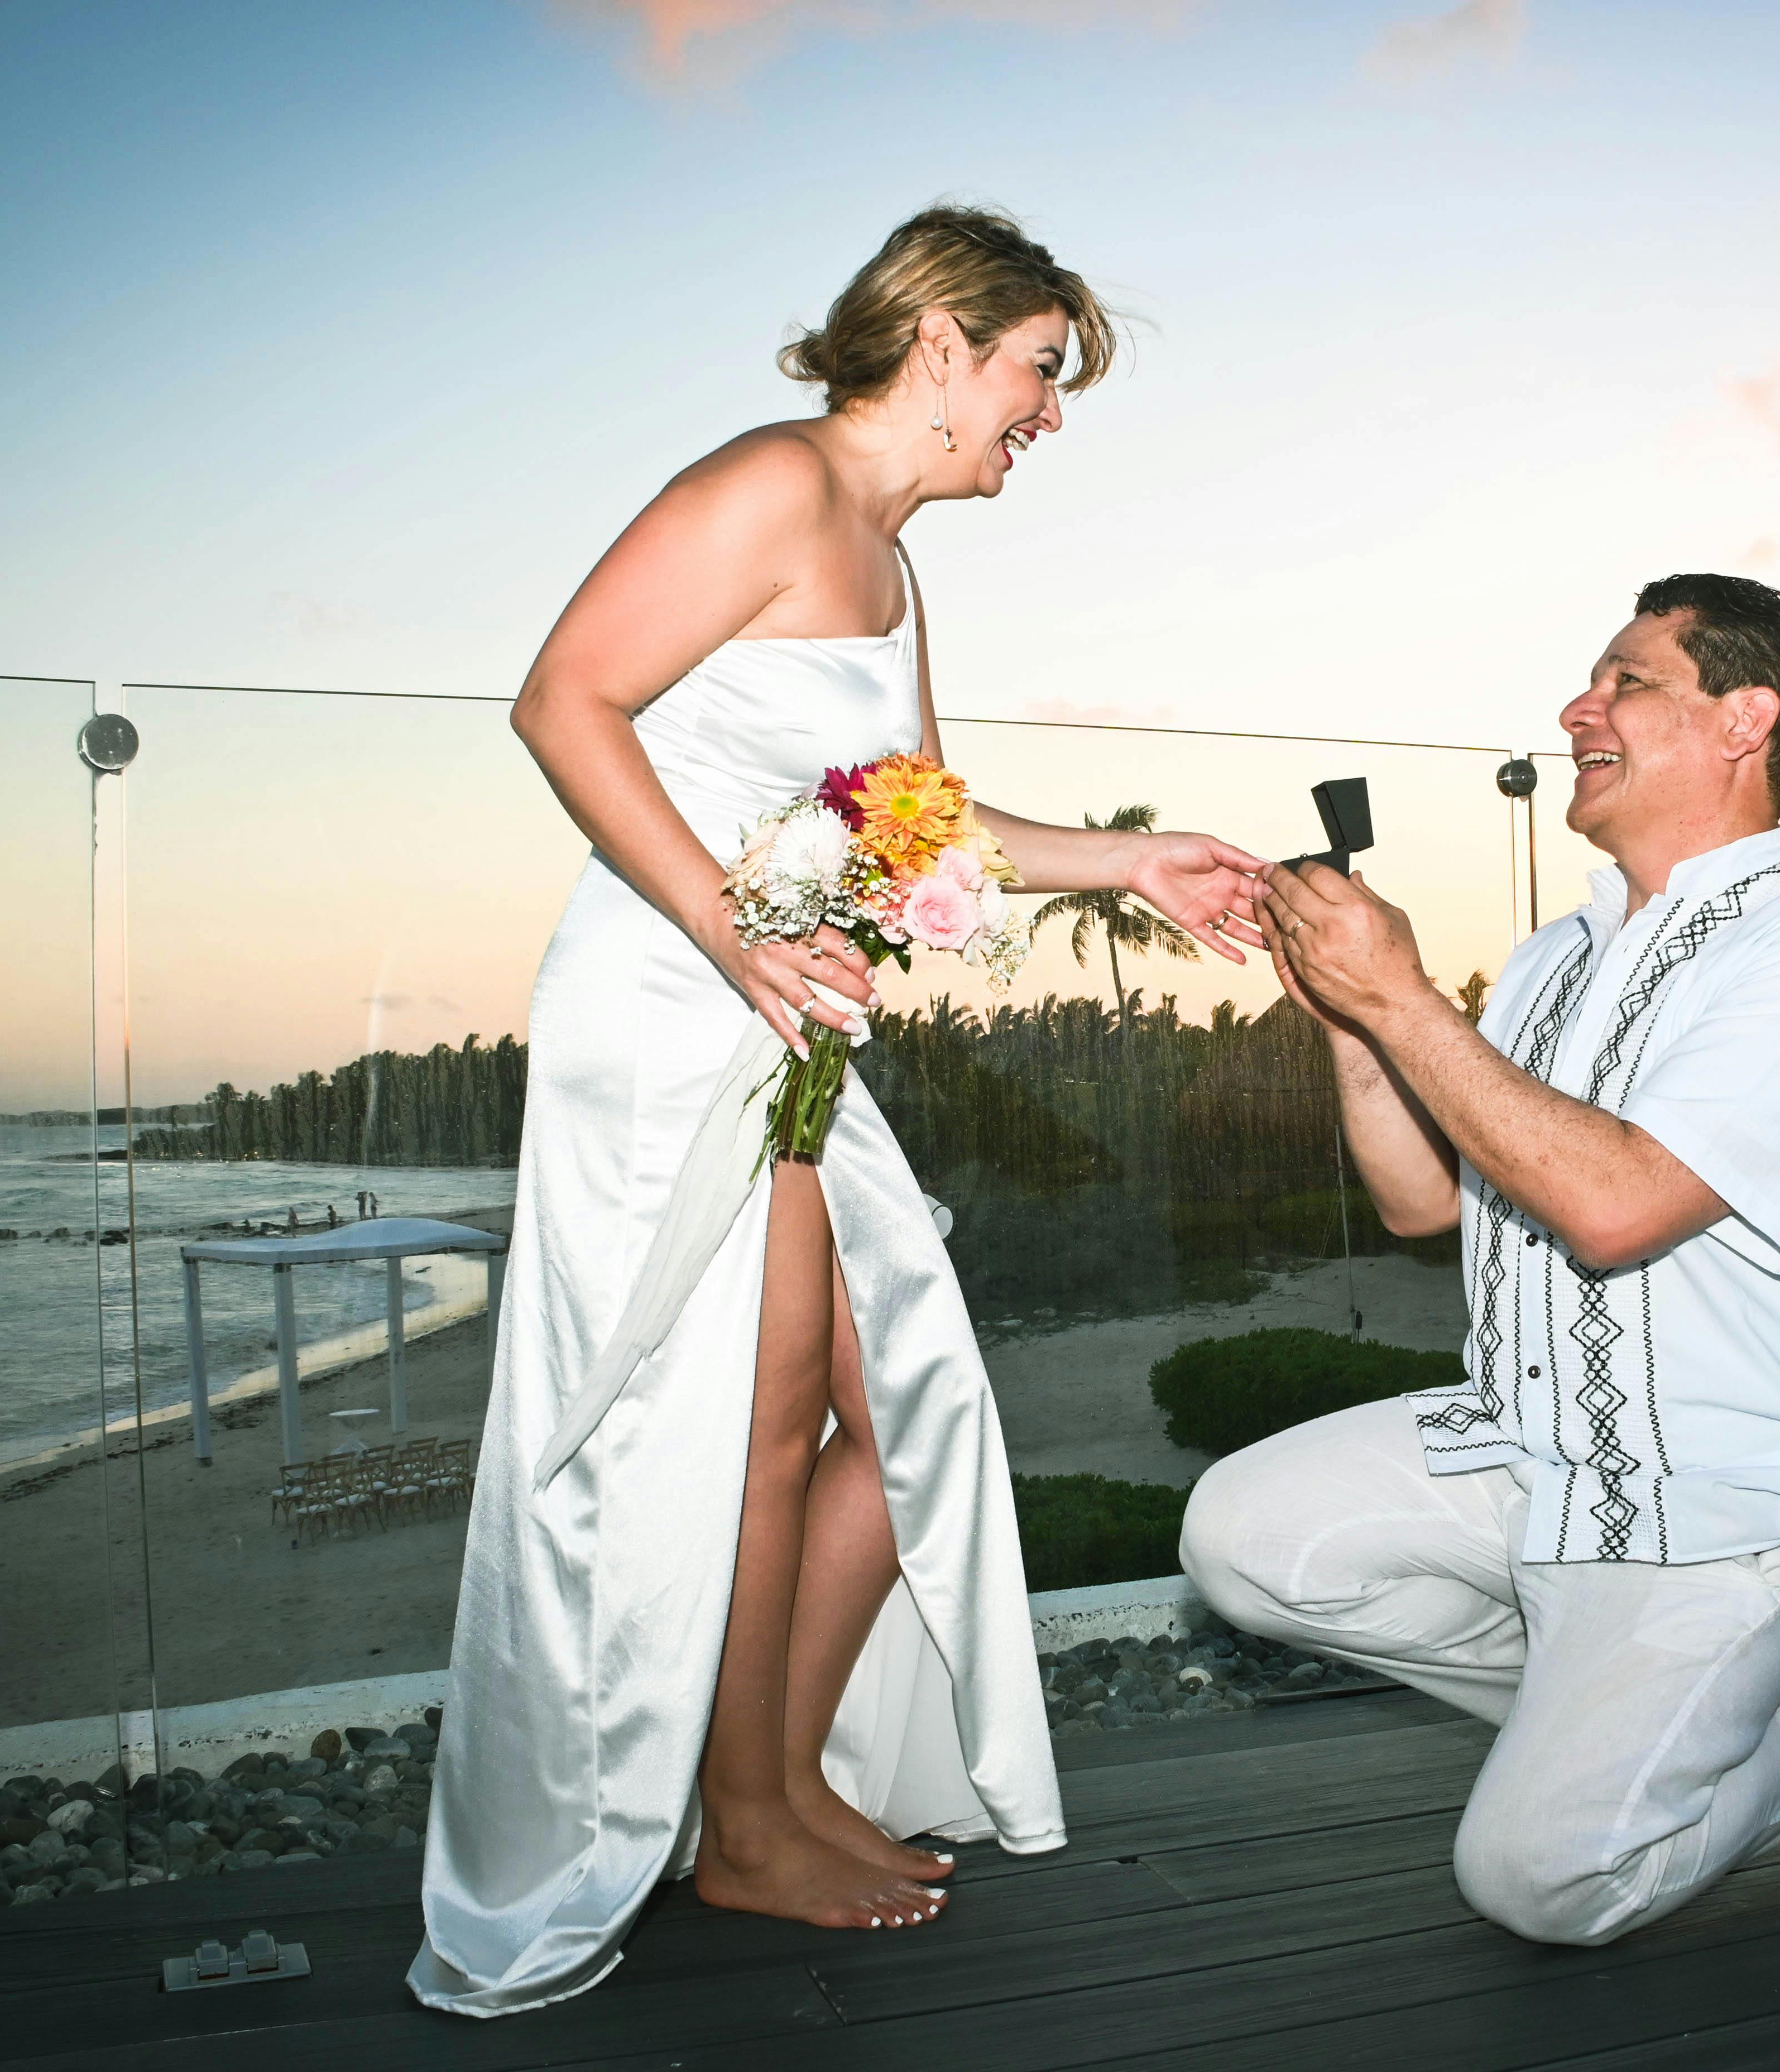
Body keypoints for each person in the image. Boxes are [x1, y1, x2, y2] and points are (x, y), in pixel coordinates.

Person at [411, 206, 1265, 2016]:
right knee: (753, 1419)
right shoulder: (773, 487)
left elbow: (912, 817)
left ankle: (774, 1785)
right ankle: (745, 1814)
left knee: (899, 1400)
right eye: (1040, 371)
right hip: (672, 1003)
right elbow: (563, 701)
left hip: (781, 1013)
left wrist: (1136, 860)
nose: (1047, 416)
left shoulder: (887, 559)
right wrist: (728, 927)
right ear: (943, 340)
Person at [1181, 574, 1780, 1950]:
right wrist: (1354, 1024)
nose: (1577, 709)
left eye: (1627, 682)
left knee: (1541, 1882)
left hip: (1751, 1500)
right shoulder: (1552, 958)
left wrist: (1406, 997)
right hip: (1539, 1454)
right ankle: (1678, 1707)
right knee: (1245, 1539)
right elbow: (1429, 1202)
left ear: (1746, 719)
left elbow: (1616, 1206)